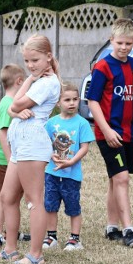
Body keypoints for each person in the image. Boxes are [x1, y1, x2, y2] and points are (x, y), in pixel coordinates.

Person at [87, 18, 133, 248]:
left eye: (129, 43)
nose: (124, 47)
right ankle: (128, 229)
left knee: (115, 179)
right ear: (111, 41)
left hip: (128, 132)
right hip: (109, 134)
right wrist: (107, 130)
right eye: (120, 42)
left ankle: (111, 227)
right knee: (121, 179)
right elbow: (92, 101)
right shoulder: (102, 67)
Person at [0, 34, 61, 264]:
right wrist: (30, 80)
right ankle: (10, 250)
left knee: (34, 201)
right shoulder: (36, 80)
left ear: (48, 57)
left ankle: (35, 255)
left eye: (36, 60)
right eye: (28, 61)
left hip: (33, 144)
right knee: (7, 197)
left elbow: (17, 104)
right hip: (20, 145)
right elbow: (13, 106)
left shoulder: (50, 83)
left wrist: (21, 100)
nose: (31, 65)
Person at [43, 82, 94, 251]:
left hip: (71, 175)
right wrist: (51, 154)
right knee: (50, 205)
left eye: (75, 99)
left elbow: (84, 147)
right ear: (58, 102)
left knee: (73, 206)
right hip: (51, 173)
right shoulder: (50, 123)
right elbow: (44, 144)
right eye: (67, 100)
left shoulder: (82, 124)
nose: (72, 103)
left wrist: (72, 161)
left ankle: (74, 239)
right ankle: (51, 237)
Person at [0, 63, 26, 251]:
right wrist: (11, 160)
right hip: (3, 159)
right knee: (3, 197)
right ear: (19, 81)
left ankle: (10, 231)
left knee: (13, 197)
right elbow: (4, 134)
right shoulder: (8, 104)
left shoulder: (10, 103)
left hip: (11, 159)